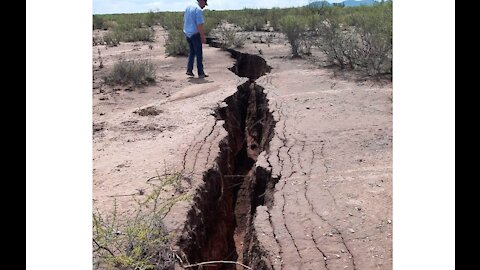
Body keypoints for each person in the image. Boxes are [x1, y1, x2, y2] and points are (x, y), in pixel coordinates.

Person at [183, 0, 209, 78]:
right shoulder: (198, 9)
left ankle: (189, 70)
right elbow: (199, 25)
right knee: (199, 54)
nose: (204, 6)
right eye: (205, 3)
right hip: (195, 34)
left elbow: (185, 20)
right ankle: (201, 73)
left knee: (192, 52)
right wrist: (203, 37)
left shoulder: (188, 7)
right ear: (202, 1)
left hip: (188, 33)